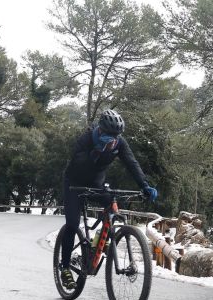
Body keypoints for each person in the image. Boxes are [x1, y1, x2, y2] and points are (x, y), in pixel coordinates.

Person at [59, 109, 158, 289]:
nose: (114, 139)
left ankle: (94, 248)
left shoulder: (119, 143)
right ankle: (65, 268)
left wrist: (145, 185)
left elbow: (131, 163)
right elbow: (76, 164)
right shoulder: (87, 138)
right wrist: (97, 151)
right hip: (74, 183)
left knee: (111, 206)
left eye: (117, 135)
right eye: (110, 135)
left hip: (96, 184)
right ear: (101, 130)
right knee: (72, 225)